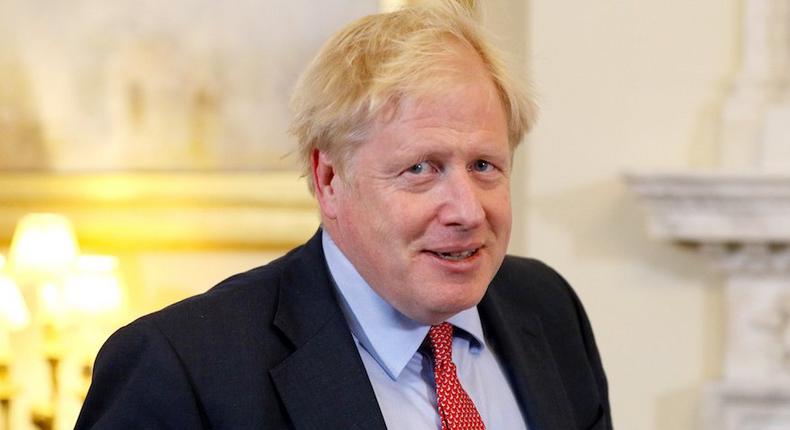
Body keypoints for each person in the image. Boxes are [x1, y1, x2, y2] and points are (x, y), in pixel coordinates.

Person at [76, 2, 612, 429]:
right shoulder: (182, 370)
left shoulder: (548, 308)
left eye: (485, 165)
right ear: (330, 180)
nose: (468, 210)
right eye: (422, 169)